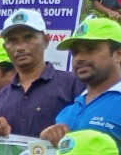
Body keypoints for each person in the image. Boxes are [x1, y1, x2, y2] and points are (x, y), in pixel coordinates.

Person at [0, 10, 84, 138]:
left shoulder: (73, 84)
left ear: (46, 41)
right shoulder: (0, 98)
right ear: (5, 48)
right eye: (12, 41)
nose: (20, 47)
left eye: (28, 38)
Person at [41, 17, 121, 145]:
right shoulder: (66, 113)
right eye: (75, 52)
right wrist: (44, 145)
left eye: (91, 49)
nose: (79, 58)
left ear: (118, 55)